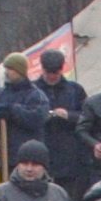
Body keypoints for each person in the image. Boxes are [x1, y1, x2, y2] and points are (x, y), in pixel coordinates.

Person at [25, 44, 94, 192]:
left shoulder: (75, 90)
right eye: (48, 72)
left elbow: (87, 117)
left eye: (55, 72)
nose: (52, 76)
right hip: (41, 149)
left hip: (69, 155)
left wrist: (68, 115)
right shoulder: (31, 90)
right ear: (42, 69)